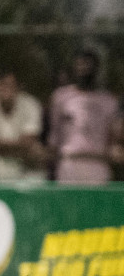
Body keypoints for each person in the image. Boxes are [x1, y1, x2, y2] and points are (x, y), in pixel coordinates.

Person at [48, 50, 122, 184]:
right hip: (69, 162)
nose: (84, 68)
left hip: (97, 163)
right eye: (79, 64)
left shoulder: (108, 101)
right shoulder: (61, 97)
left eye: (88, 64)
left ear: (96, 68)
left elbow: (113, 137)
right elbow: (54, 134)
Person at [0, 72, 46, 181]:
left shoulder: (31, 105)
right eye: (1, 85)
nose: (5, 89)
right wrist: (16, 146)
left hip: (29, 174)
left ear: (17, 88)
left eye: (9, 85)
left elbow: (29, 141)